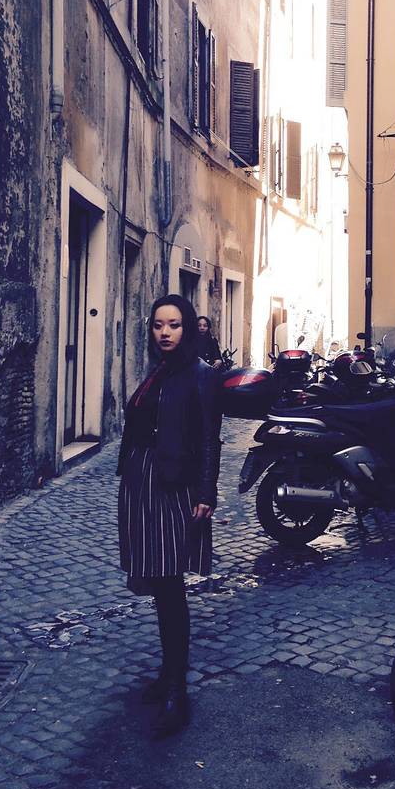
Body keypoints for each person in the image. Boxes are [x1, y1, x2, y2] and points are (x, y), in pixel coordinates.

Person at [117, 294, 222, 737]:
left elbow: (210, 438)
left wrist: (206, 492)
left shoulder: (200, 374)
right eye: (159, 325)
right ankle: (167, 675)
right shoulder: (159, 371)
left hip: (174, 487)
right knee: (159, 586)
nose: (165, 332)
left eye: (174, 325)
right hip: (141, 483)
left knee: (170, 586)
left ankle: (178, 690)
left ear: (188, 328)